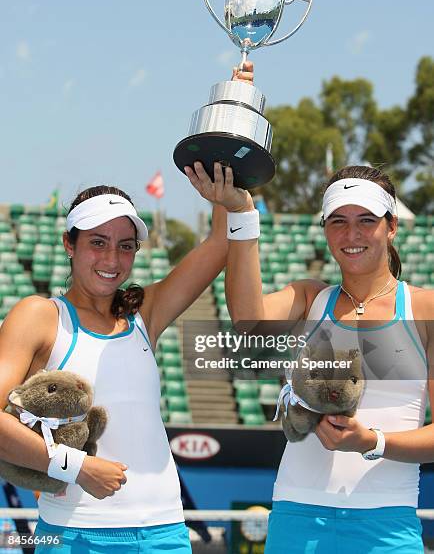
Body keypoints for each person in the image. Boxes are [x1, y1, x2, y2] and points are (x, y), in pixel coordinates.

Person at [0, 61, 255, 554]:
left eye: (125, 246)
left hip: (165, 534)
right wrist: (71, 465)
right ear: (69, 245)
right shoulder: (38, 315)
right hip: (73, 534)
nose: (112, 259)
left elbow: (225, 239)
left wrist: (231, 114)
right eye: (98, 243)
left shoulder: (145, 313)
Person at [185, 163, 434, 553]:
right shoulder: (309, 299)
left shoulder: (426, 309)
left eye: (366, 220)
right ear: (324, 230)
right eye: (338, 221)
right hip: (295, 517)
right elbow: (246, 320)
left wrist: (372, 441)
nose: (351, 234)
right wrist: (242, 212)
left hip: (385, 527)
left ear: (391, 227)